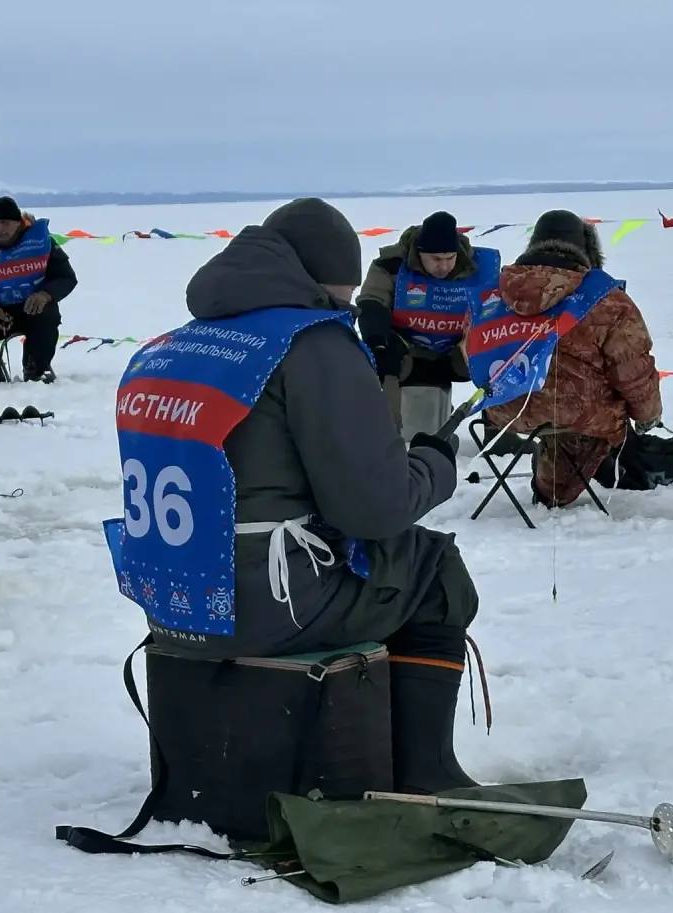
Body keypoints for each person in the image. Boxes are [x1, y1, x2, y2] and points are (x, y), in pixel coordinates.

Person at [111, 198, 479, 794]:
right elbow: (375, 509)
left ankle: (354, 739)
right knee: (431, 570)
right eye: (343, 295)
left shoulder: (168, 348)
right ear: (321, 282)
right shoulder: (311, 345)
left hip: (173, 605)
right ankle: (424, 772)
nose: (345, 309)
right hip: (270, 604)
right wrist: (434, 464)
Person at [481, 210, 662, 507]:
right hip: (579, 416)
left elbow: (470, 352)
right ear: (587, 249)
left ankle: (560, 471)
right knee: (558, 490)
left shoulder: (491, 292)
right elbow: (633, 370)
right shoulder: (607, 299)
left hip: (503, 410)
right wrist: (647, 415)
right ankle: (555, 483)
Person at [356, 211, 501, 437]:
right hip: (405, 349)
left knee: (495, 360)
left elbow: (494, 310)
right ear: (420, 252)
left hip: (457, 351)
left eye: (449, 258)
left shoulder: (478, 269)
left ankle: (498, 433)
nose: (443, 266)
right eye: (436, 259)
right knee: (381, 359)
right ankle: (390, 432)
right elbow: (371, 302)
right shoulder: (392, 266)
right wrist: (378, 341)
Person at [0, 196, 78, 385]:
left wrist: (45, 295)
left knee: (48, 312)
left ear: (18, 222)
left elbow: (67, 277)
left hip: (34, 311)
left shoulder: (41, 243)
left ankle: (36, 369)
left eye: (5, 222)